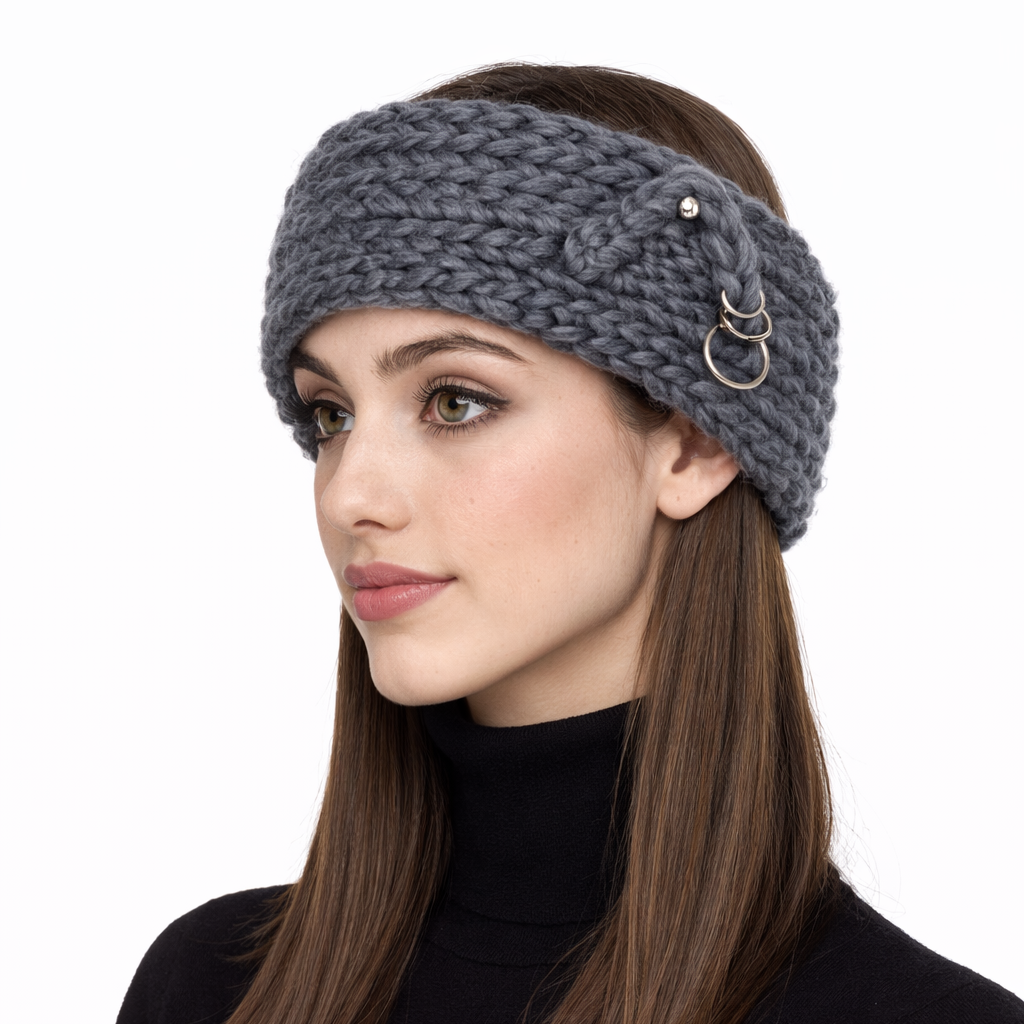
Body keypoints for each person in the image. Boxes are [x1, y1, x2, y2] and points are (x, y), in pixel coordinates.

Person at [115, 63, 1024, 1024]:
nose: (349, 495)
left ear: (697, 443)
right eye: (331, 414)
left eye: (454, 402)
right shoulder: (212, 986)